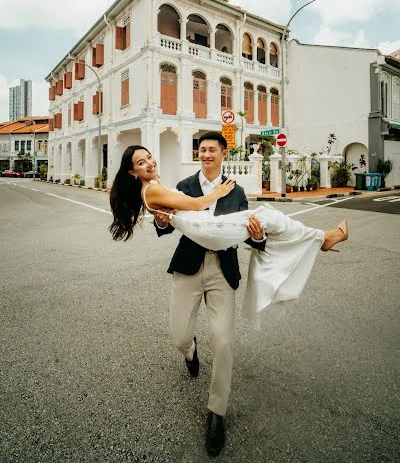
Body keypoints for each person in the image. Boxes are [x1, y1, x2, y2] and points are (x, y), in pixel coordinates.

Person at [109, 137, 348, 457]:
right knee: (179, 337)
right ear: (133, 171)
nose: (150, 163)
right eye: (142, 162)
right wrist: (167, 220)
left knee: (224, 341)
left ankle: (216, 412)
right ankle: (190, 352)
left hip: (223, 264)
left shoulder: (234, 190)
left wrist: (258, 236)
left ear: (223, 154)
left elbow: (251, 238)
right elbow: (176, 217)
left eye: (149, 158)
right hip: (191, 264)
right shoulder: (179, 185)